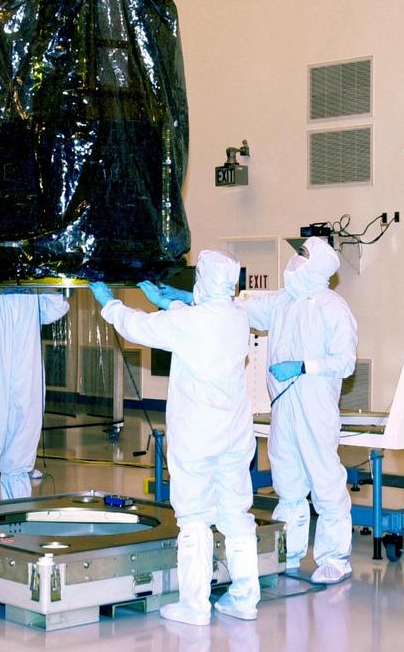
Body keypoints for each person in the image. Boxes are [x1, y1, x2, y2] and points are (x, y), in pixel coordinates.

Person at [91, 249, 260, 626]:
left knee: (195, 518)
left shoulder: (193, 323)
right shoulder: (237, 317)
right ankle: (245, 599)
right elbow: (201, 312)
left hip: (197, 438)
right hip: (234, 437)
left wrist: (109, 303)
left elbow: (138, 327)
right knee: (237, 516)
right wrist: (173, 301)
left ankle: (195, 605)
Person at [236, 236, 357, 584]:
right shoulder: (284, 301)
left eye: (303, 255)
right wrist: (193, 301)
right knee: (287, 477)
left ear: (318, 266)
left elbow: (345, 362)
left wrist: (303, 366)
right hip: (284, 402)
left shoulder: (333, 307)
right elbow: (243, 308)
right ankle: (288, 551)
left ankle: (335, 558)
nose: (295, 260)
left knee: (323, 476)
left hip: (314, 401)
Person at [0, 289, 69, 503]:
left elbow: (55, 309)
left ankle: (16, 515)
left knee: (22, 441)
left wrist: (47, 285)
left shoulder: (32, 293)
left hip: (26, 376)